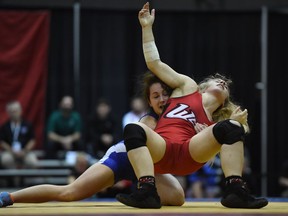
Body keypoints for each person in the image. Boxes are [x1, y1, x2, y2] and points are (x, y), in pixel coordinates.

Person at [115, 2, 268, 209]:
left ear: (225, 100)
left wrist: (233, 124)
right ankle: (147, 192)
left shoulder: (218, 120)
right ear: (204, 87)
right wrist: (146, 28)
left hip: (190, 153)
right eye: (218, 79)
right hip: (163, 148)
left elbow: (225, 146)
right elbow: (155, 64)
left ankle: (236, 191)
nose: (223, 82)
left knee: (233, 127)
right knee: (133, 128)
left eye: (226, 86)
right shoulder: (187, 86)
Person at [0, 72, 184, 208]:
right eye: (156, 96)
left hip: (147, 171)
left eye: (165, 94)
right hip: (121, 159)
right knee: (68, 193)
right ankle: (9, 196)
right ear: (149, 102)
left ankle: (141, 191)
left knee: (178, 197)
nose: (162, 99)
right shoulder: (149, 121)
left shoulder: (180, 118)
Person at [0, 101, 38, 170]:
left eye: (16, 110)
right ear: (8, 113)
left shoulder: (27, 125)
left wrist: (25, 151)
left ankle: (26, 178)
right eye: (12, 111)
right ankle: (14, 178)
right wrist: (11, 150)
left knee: (32, 161)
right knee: (5, 160)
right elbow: (2, 142)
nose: (14, 113)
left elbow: (32, 140)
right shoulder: (5, 126)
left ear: (20, 111)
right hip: (10, 152)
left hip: (25, 151)